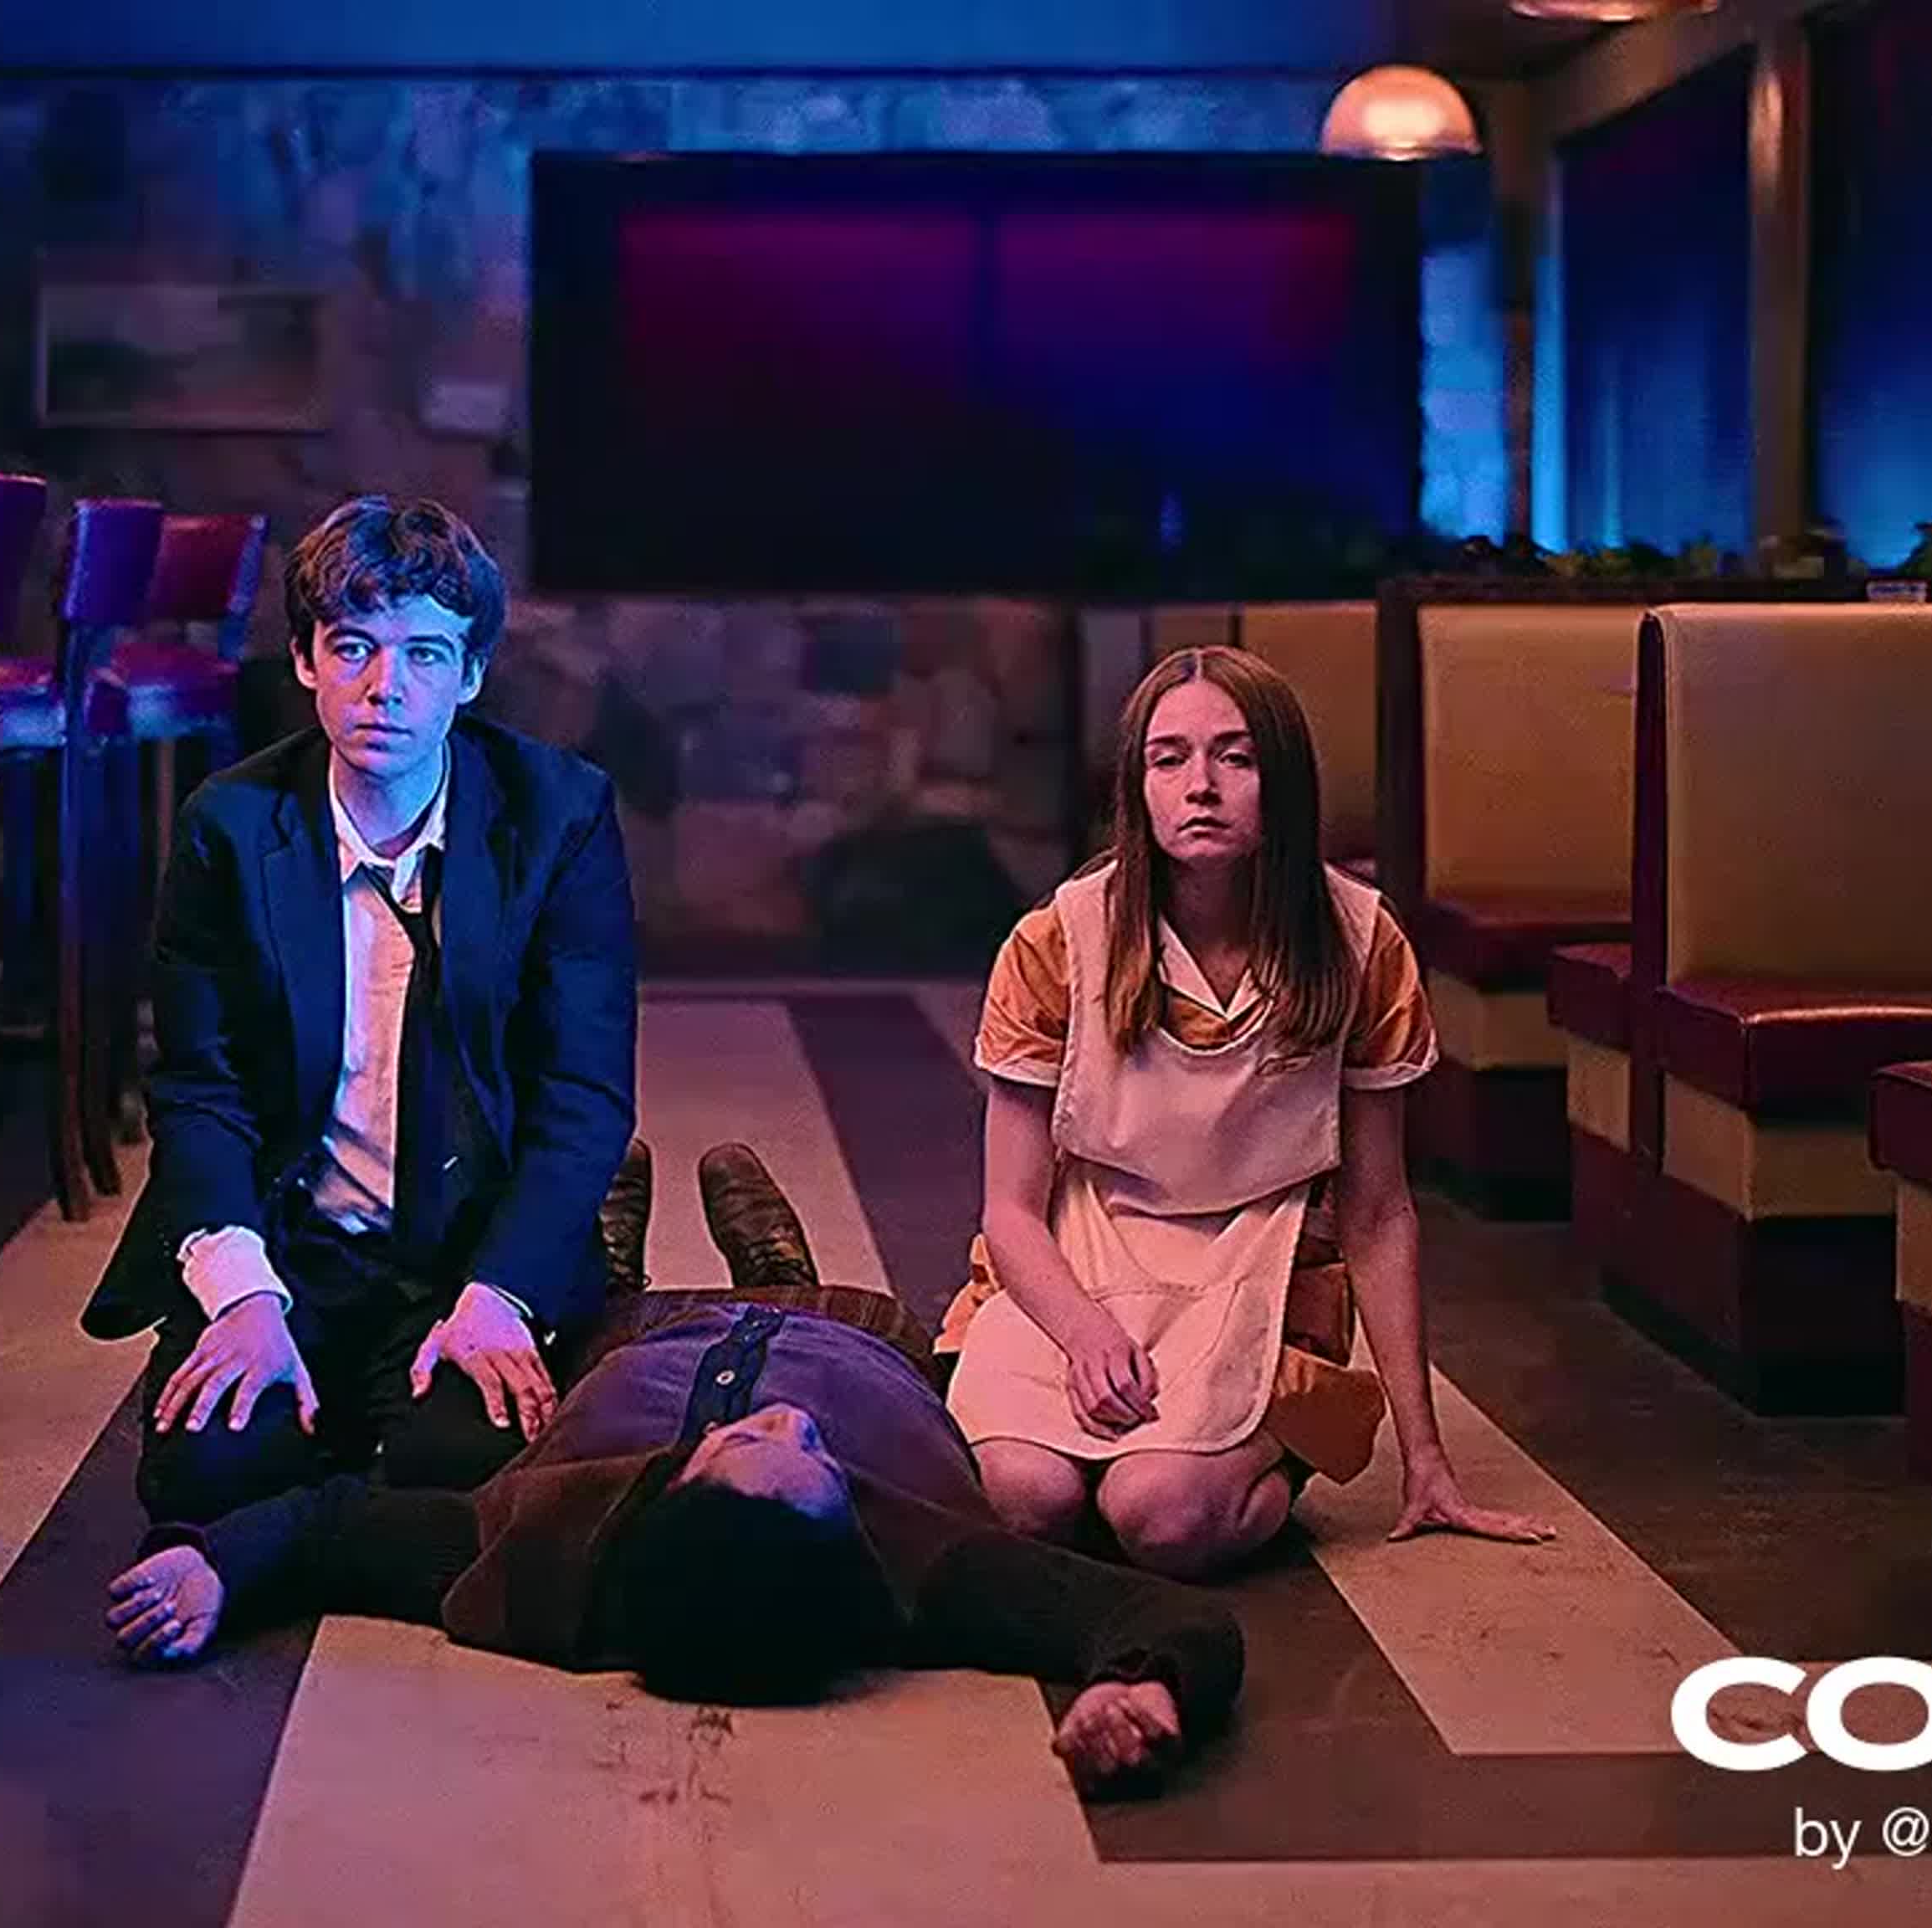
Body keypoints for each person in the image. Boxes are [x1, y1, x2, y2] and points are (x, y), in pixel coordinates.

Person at [105, 1143, 1246, 1799]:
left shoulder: (533, 1550)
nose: (789, 1424)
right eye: (819, 1458)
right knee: (821, 1302)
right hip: (848, 1335)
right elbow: (1155, 1614)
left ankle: (612, 1266)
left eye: (750, 1447)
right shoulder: (931, 1574)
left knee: (574, 1325)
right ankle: (778, 1266)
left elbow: (332, 1527)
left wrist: (213, 1565)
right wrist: (1146, 1686)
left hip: (637, 1340)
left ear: (671, 1493)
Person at [82, 496, 639, 1526]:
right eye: (353, 648)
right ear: (305, 661)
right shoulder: (229, 827)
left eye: (425, 654)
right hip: (294, 1241)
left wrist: (501, 1295)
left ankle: (354, 1463)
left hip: (466, 1253)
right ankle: (319, 1448)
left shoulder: (558, 815)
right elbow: (199, 1089)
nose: (387, 687)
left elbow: (584, 1092)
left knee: (466, 1475)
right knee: (205, 1477)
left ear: (469, 675)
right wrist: (244, 1297)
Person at [939, 646, 1554, 1577]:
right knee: (1024, 1499)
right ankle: (1124, 1461)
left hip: (1260, 1252)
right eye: (1169, 758)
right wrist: (1085, 1333)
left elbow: (1378, 1213)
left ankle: (1257, 1455)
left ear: (1285, 781)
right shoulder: (1058, 940)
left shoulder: (1360, 941)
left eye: (1236, 757)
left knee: (1161, 1517)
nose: (1201, 786)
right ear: (1137, 787)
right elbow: (1012, 1209)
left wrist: (1425, 1458)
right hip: (1086, 1246)